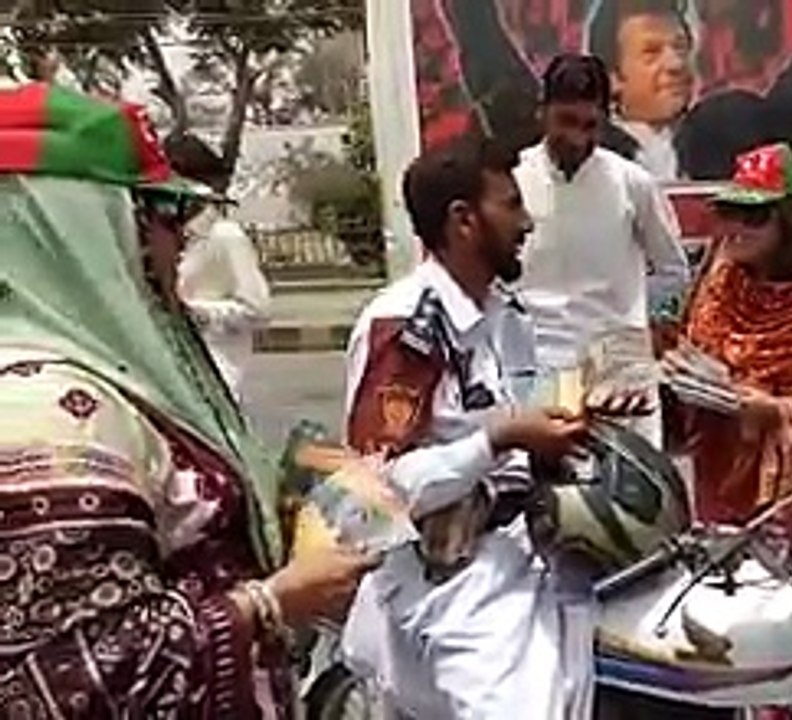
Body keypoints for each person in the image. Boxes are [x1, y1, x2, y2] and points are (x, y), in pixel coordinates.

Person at [0, 84, 375, 717]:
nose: (179, 239)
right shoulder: (47, 412)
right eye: (164, 211)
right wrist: (277, 601)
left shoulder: (107, 377)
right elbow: (76, 682)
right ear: (72, 227)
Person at [340, 135, 642, 719]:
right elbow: (374, 491)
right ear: (464, 221)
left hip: (527, 554)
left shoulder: (505, 315)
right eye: (510, 205)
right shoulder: (408, 325)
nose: (527, 222)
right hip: (455, 582)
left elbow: (521, 416)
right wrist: (500, 440)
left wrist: (581, 413)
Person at [666, 142, 792, 542]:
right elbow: (693, 350)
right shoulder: (722, 280)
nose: (734, 228)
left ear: (788, 222)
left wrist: (771, 410)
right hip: (718, 470)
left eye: (752, 216)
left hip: (790, 492)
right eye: (728, 213)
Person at [442, 0, 792, 180]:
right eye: (651, 53)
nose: (674, 63)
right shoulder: (570, 144)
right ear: (612, 75)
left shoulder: (735, 129)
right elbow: (490, 63)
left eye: (680, 48)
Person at [513, 53, 689, 442]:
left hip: (619, 367)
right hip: (543, 364)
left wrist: (647, 325)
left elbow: (673, 270)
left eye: (590, 125)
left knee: (631, 490)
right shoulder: (514, 181)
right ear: (542, 113)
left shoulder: (633, 183)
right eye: (566, 122)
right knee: (553, 491)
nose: (578, 138)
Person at [165, 133, 272, 401]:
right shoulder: (160, 237)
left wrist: (197, 313)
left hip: (216, 377)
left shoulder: (225, 236)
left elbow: (257, 310)